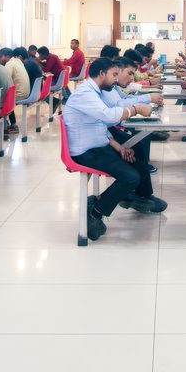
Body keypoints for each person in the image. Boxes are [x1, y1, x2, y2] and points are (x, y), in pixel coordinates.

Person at [63, 58, 156, 241]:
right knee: (131, 177)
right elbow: (108, 116)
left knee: (136, 159)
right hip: (85, 152)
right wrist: (135, 109)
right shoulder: (85, 94)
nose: (115, 79)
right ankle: (96, 212)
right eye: (114, 74)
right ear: (101, 74)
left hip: (97, 145)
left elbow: (100, 124)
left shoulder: (95, 92)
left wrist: (119, 146)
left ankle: (108, 201)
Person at [104, 57, 168, 188]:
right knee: (136, 145)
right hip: (105, 131)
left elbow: (126, 98)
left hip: (109, 128)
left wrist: (145, 99)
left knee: (138, 147)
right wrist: (148, 97)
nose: (132, 78)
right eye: (129, 73)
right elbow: (120, 104)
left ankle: (143, 194)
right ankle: (140, 193)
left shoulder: (112, 87)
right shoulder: (104, 88)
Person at [0, 46, 30, 134]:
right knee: (6, 93)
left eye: (0, 56)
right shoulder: (18, 62)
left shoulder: (10, 64)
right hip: (25, 93)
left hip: (18, 94)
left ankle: (3, 127)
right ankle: (11, 124)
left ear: (7, 56)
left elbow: (5, 80)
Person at [38, 45, 66, 113]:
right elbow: (47, 66)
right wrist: (41, 63)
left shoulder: (52, 58)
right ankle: (55, 102)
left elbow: (46, 69)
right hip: (57, 79)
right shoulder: (51, 57)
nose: (39, 57)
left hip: (56, 81)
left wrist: (38, 65)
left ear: (44, 54)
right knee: (42, 86)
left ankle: (55, 102)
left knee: (41, 90)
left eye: (40, 55)